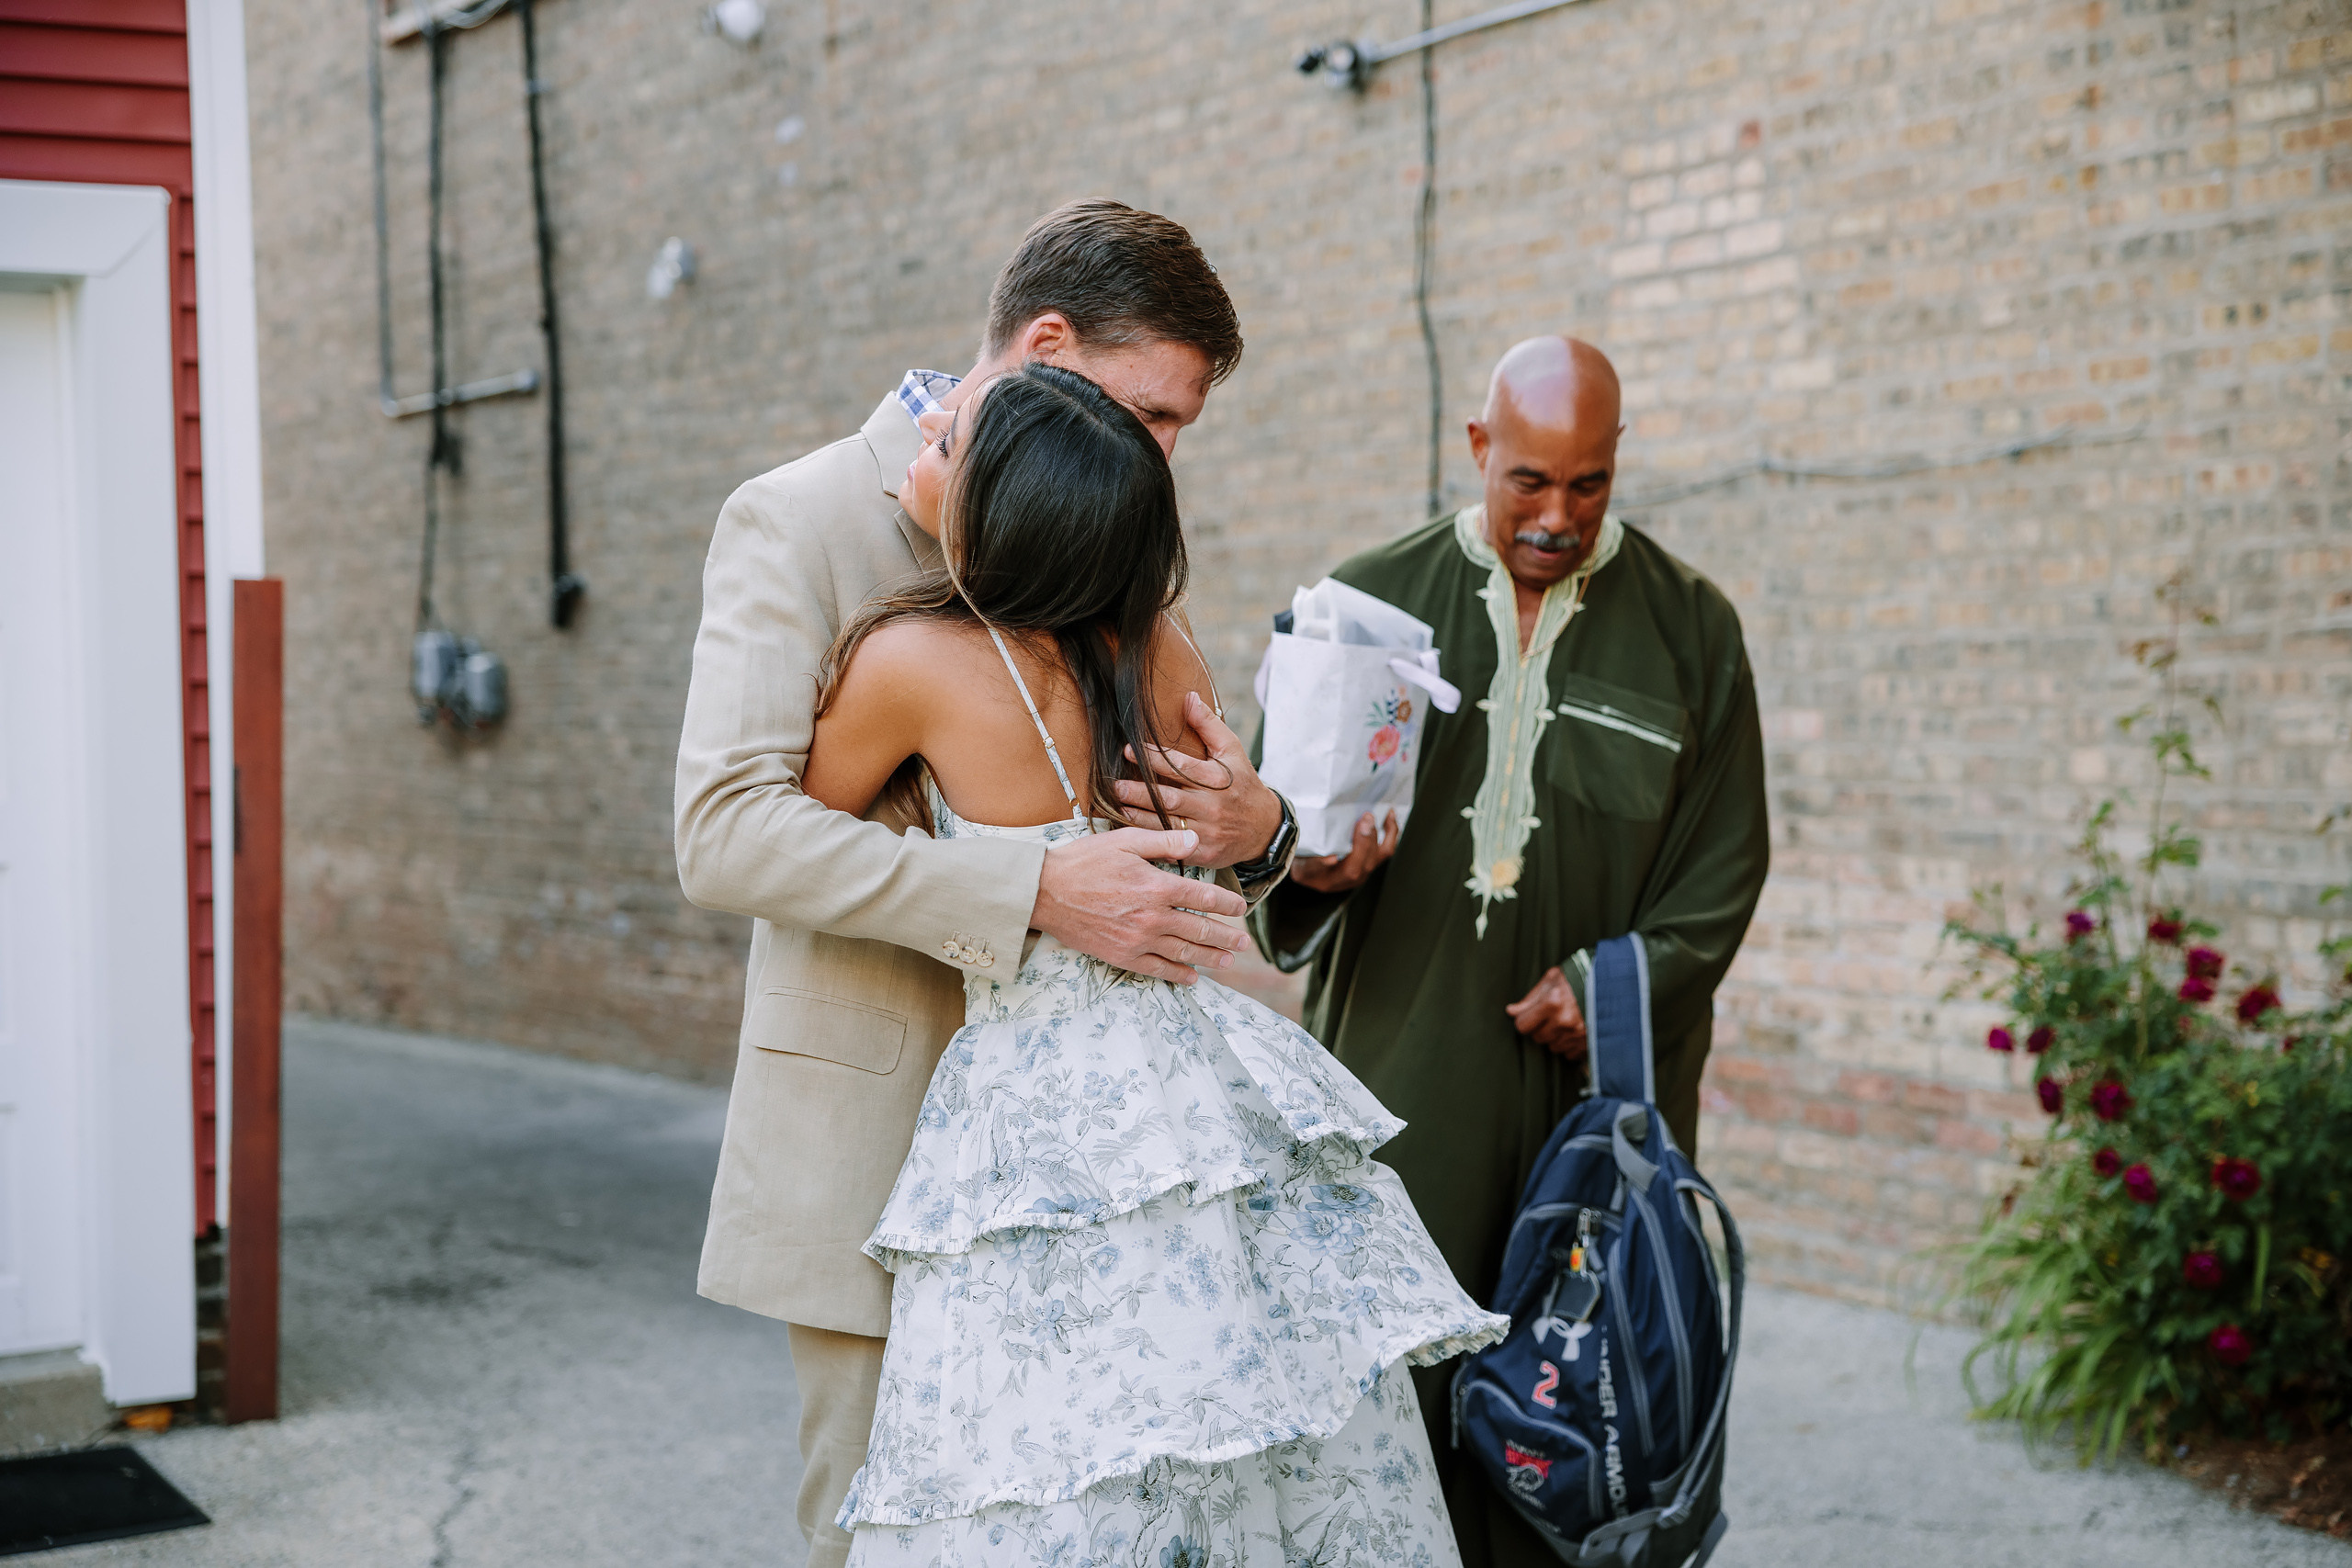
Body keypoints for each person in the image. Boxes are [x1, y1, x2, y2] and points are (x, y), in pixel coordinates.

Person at [674, 202, 1299, 1568]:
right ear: (1049, 347)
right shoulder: (798, 519)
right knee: (892, 1534)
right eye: (1152, 413)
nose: (1162, 455)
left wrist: (1258, 823)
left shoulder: (1117, 521)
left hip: (1121, 1155)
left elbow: (1171, 802)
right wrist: (1028, 890)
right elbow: (723, 831)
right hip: (879, 1148)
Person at [802, 361, 1506, 1566]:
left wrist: (967, 849)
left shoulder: (912, 665)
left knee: (1045, 1446)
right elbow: (1205, 834)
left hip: (1035, 1107)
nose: (928, 430)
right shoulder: (1160, 646)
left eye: (955, 440)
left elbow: (812, 824)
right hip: (1193, 1082)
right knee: (1221, 1415)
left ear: (1002, 509)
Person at [1250, 336, 1770, 1567]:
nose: (1556, 516)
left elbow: (1725, 862)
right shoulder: (1364, 609)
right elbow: (1267, 840)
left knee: (1575, 1408)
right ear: (1478, 449)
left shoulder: (1692, 632)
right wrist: (1309, 863)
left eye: (1587, 485)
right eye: (1528, 480)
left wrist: (1610, 988)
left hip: (1590, 1106)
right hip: (1398, 1079)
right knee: (1386, 1404)